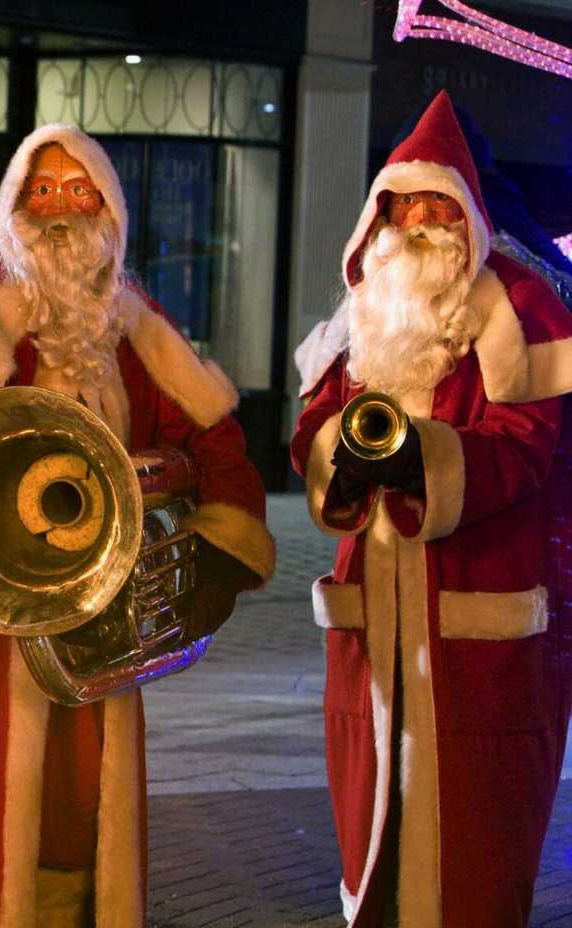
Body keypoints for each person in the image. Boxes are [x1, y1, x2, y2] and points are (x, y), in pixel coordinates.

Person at [0, 123, 274, 926]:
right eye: (42, 191)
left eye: (78, 190)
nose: (60, 210)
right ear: (12, 206)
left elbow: (214, 436)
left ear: (110, 207)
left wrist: (223, 547)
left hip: (103, 610)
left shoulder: (136, 320)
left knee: (78, 806)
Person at [291, 91, 572, 927]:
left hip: (477, 593)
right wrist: (337, 461)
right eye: (399, 203)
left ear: (467, 212)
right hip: (373, 603)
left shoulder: (521, 305)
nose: (415, 220)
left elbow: (528, 438)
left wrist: (431, 464)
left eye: (434, 202)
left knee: (475, 817)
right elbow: (311, 426)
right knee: (373, 791)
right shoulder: (361, 309)